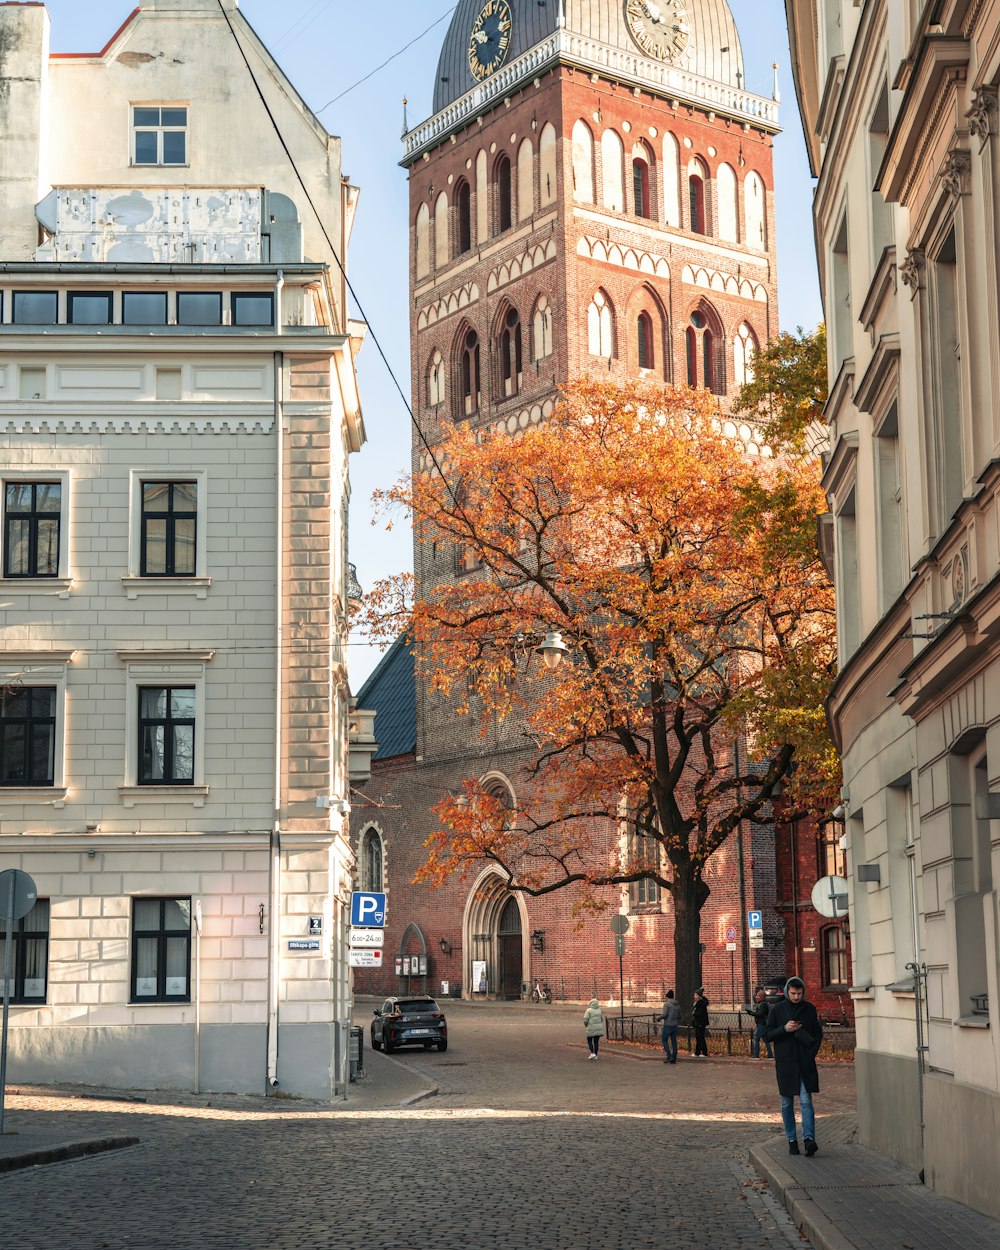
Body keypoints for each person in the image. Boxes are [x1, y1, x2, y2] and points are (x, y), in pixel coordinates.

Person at [764, 975, 823, 1156]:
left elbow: (818, 1034)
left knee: (806, 1101)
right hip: (786, 1063)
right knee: (786, 1103)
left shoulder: (809, 1009)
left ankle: (809, 1139)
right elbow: (768, 1035)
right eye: (793, 993)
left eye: (799, 993)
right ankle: (791, 1140)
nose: (796, 997)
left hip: (804, 1062)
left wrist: (811, 1052)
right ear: (787, 992)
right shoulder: (778, 1010)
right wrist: (784, 1029)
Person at [659, 990, 682, 1063]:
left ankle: (669, 1055)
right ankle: (674, 1058)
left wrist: (659, 1018)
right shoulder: (677, 1004)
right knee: (674, 1042)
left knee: (664, 1040)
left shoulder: (667, 1004)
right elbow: (679, 1016)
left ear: (667, 997)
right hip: (675, 1025)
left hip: (668, 1025)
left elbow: (665, 1015)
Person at [750, 988, 774, 1059]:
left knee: (756, 1038)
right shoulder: (762, 1003)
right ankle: (770, 1054)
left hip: (761, 1024)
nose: (756, 997)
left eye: (758, 996)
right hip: (763, 1024)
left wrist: (751, 1013)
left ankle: (756, 1055)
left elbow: (760, 1014)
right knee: (766, 1040)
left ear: (762, 997)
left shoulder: (762, 1004)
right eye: (756, 996)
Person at [692, 988, 709, 1057]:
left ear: (699, 996)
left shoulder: (701, 1003)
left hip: (701, 1023)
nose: (694, 996)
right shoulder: (698, 1003)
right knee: (698, 1037)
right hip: (698, 1023)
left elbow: (699, 1013)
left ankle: (704, 1052)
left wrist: (694, 1013)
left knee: (700, 1037)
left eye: (695, 995)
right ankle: (697, 1052)